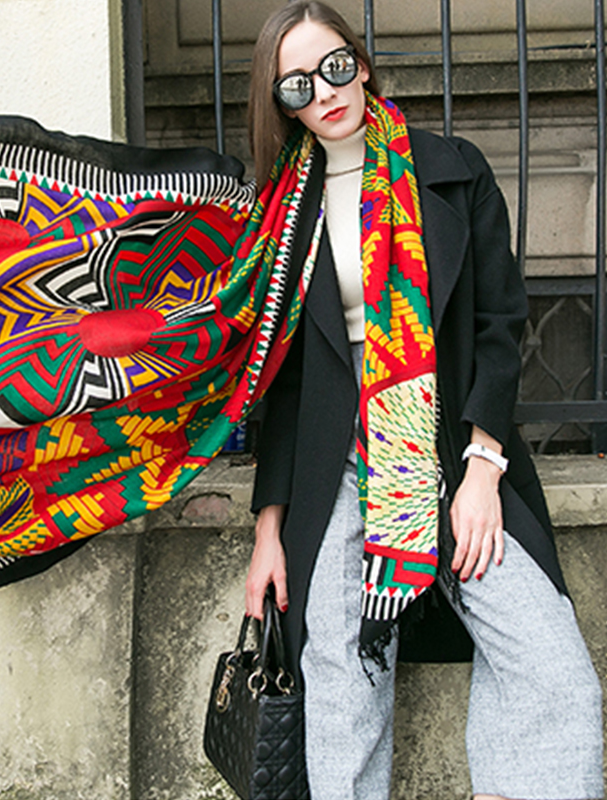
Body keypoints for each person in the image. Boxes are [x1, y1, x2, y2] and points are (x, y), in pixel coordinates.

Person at [244, 2, 604, 799]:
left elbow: (500, 325)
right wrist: (268, 530)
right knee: (340, 673)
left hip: (447, 445)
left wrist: (482, 469)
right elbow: (285, 384)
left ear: (362, 64)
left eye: (335, 67)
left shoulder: (451, 169)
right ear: (282, 105)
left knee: (551, 665)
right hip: (335, 461)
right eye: (298, 84)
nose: (324, 92)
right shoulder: (282, 213)